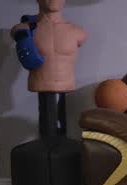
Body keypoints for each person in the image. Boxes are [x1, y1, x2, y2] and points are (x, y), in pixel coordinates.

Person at [10, 0, 87, 136]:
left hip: (66, 83)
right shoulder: (24, 29)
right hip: (39, 83)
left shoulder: (78, 31)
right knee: (47, 136)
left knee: (59, 138)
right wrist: (21, 34)